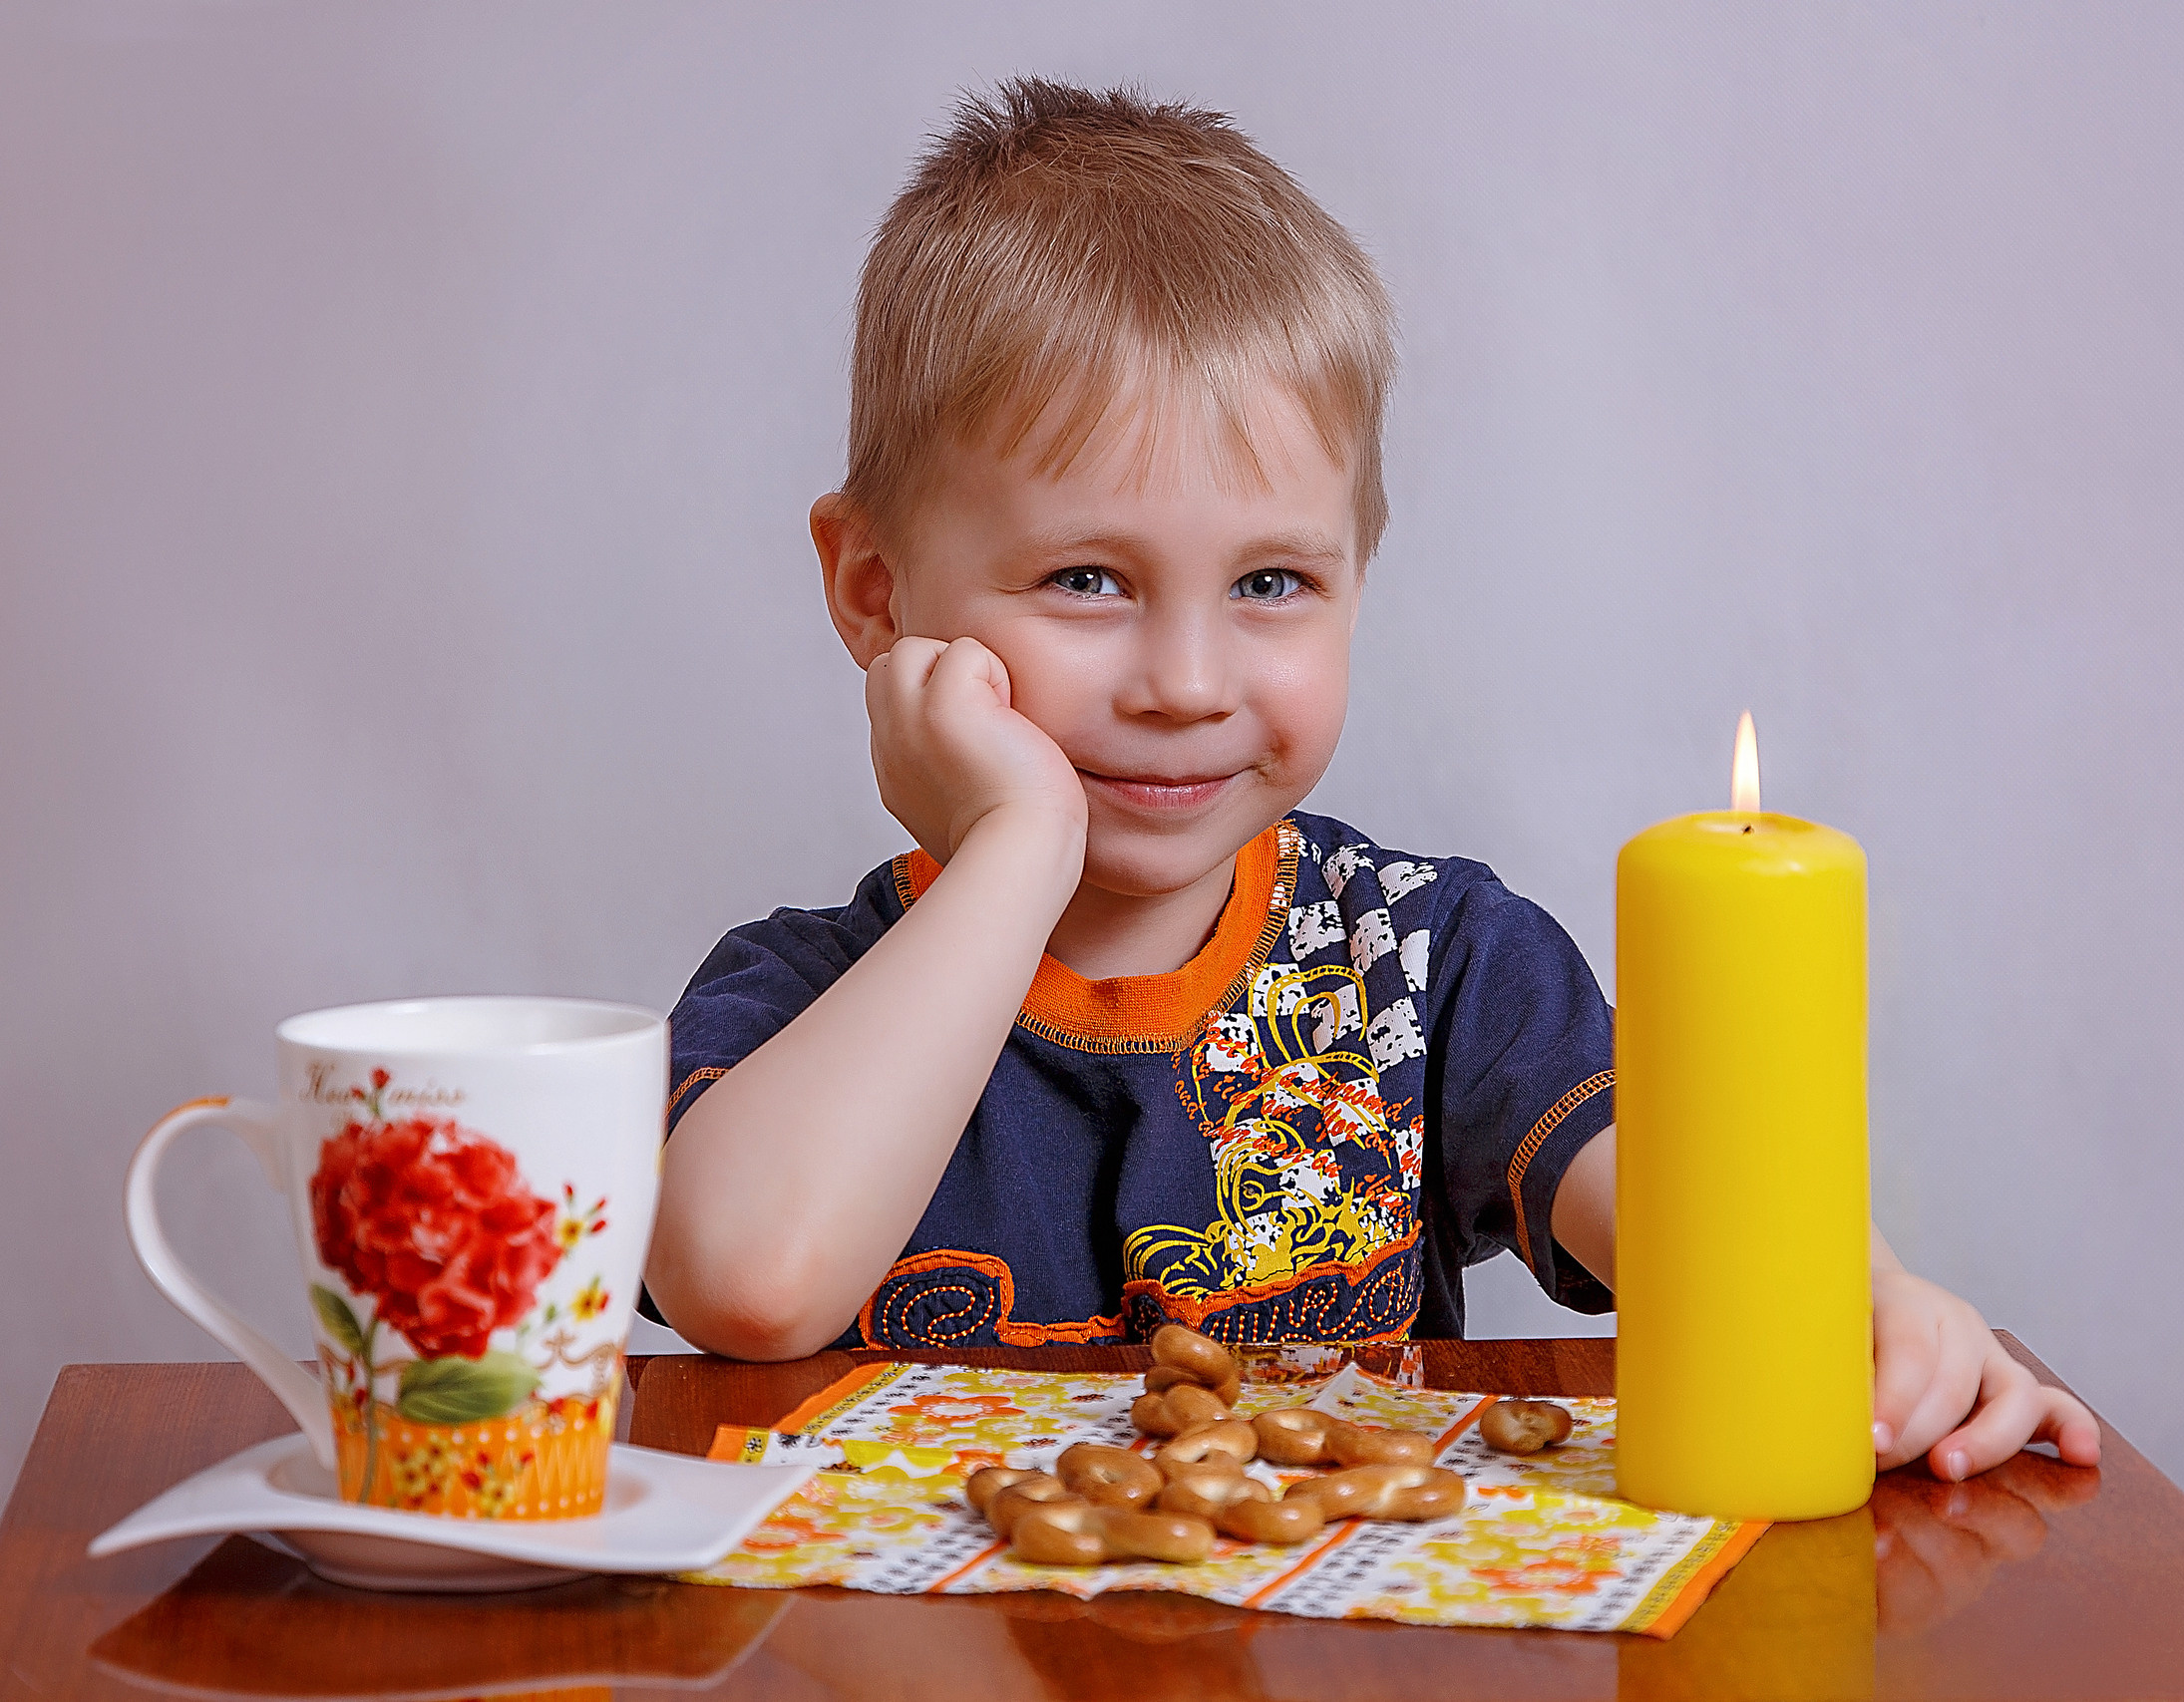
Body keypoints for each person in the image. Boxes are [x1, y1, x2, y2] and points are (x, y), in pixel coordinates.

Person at [644, 79, 2098, 1484]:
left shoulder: (1429, 965)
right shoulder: (799, 1004)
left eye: (1271, 581)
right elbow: (749, 1284)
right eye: (1086, 579)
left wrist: (1875, 1303)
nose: (1190, 680)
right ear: (877, 592)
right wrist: (1018, 842)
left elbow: (1710, 1237)